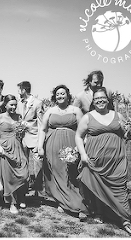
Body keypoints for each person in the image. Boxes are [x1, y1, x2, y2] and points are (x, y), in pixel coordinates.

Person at [75, 87, 131, 236]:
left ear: (108, 100)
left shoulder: (118, 115)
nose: (100, 101)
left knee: (120, 189)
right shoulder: (88, 117)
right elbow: (78, 136)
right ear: (93, 102)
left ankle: (125, 220)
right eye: (97, 99)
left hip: (117, 160)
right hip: (96, 160)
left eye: (103, 98)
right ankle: (100, 212)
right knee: (98, 188)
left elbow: (126, 135)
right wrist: (83, 154)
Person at [37, 85, 88, 218]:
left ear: (68, 95)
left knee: (71, 173)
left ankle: (78, 204)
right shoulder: (50, 111)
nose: (60, 96)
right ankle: (62, 201)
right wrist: (40, 147)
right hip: (52, 145)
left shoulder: (75, 110)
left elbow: (82, 129)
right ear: (55, 96)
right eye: (58, 94)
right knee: (57, 173)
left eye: (63, 94)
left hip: (71, 145)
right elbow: (42, 129)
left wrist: (81, 146)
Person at [0, 95, 29, 214]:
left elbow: (21, 134)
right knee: (9, 177)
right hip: (5, 149)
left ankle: (21, 196)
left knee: (23, 173)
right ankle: (12, 202)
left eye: (15, 105)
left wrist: (22, 132)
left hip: (18, 147)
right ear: (5, 104)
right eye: (11, 104)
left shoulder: (19, 117)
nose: (13, 107)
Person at [16, 81, 43, 198]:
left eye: (19, 90)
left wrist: (40, 142)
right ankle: (24, 190)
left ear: (23, 90)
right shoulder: (18, 103)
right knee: (23, 164)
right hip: (21, 138)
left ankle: (40, 192)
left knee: (38, 165)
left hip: (34, 137)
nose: (18, 92)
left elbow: (41, 123)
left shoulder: (37, 103)